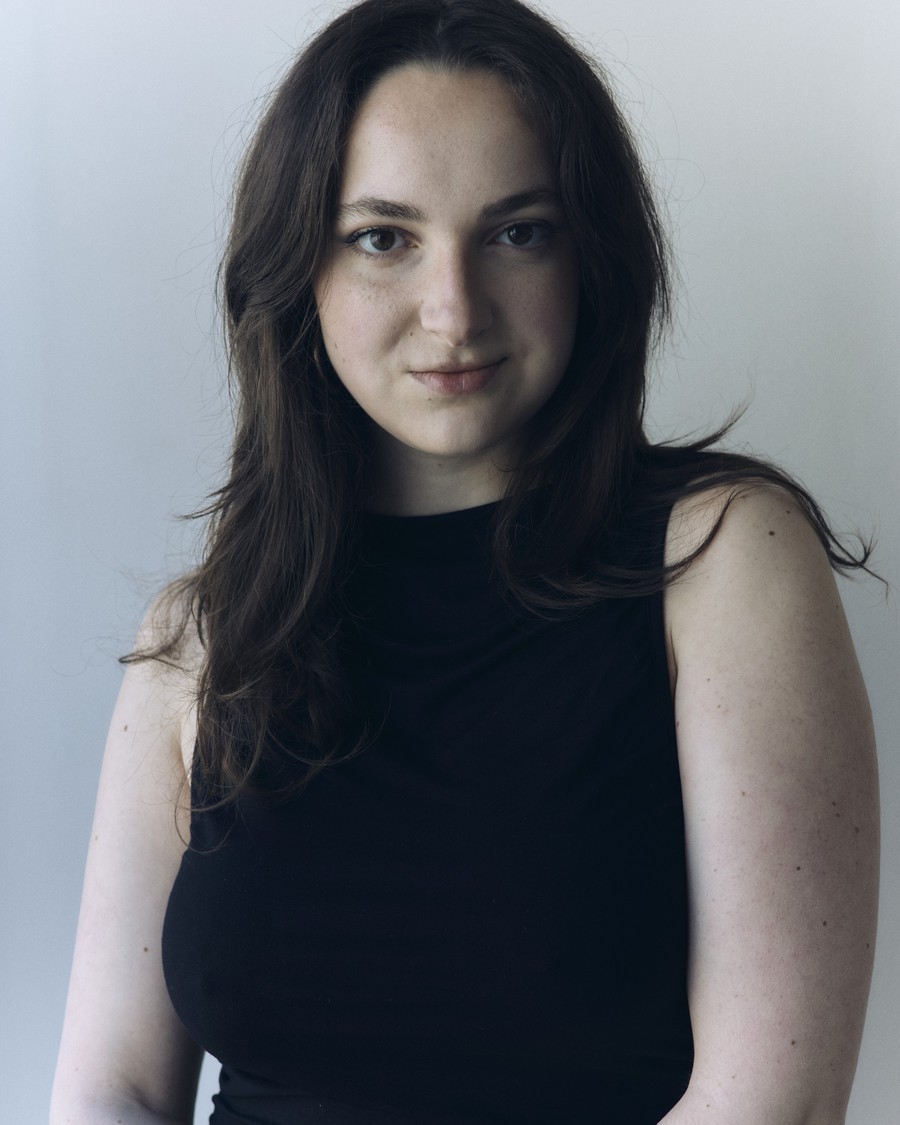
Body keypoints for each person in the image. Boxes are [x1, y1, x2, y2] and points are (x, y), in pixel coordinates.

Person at [50, 1, 879, 1122]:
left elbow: (771, 1106)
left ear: (592, 255)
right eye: (382, 237)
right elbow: (111, 1088)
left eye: (517, 232)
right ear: (299, 267)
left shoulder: (722, 559)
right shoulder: (201, 636)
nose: (454, 311)